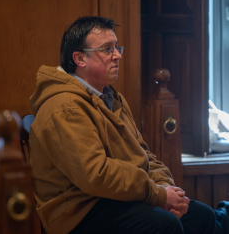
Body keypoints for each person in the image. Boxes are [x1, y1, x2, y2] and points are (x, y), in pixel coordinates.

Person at [29, 16, 216, 234]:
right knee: (165, 225)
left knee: (201, 216)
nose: (117, 56)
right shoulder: (65, 107)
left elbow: (143, 153)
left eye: (117, 48)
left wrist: (164, 187)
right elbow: (96, 175)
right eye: (107, 49)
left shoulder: (110, 97)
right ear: (80, 58)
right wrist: (157, 195)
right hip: (79, 212)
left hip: (113, 198)